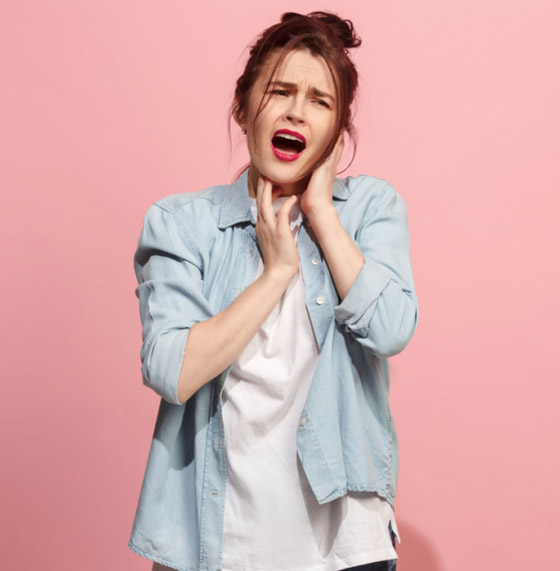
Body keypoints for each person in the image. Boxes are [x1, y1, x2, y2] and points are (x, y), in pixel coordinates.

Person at [128, 11, 418, 571]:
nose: (296, 111)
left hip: (346, 548)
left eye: (320, 101)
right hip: (216, 544)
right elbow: (171, 371)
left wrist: (321, 213)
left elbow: (390, 330)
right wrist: (276, 275)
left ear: (336, 131)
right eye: (280, 91)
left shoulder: (369, 210)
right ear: (243, 109)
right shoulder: (183, 224)